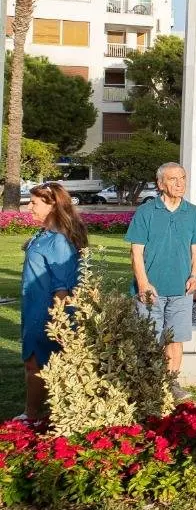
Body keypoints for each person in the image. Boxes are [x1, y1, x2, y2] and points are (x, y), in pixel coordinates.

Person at [126, 162, 196, 398]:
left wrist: (195, 275)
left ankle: (171, 383)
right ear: (160, 184)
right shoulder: (146, 213)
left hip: (181, 289)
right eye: (173, 179)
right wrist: (142, 283)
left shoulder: (193, 213)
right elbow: (136, 253)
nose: (180, 183)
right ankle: (148, 384)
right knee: (150, 338)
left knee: (175, 338)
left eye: (182, 177)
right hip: (150, 289)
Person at [20, 182, 85, 425]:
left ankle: (33, 415)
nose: (29, 207)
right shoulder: (44, 234)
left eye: (34, 202)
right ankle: (39, 412)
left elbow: (62, 287)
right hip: (34, 306)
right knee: (34, 361)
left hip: (46, 312)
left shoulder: (58, 240)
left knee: (36, 362)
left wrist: (58, 321)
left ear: (52, 205)